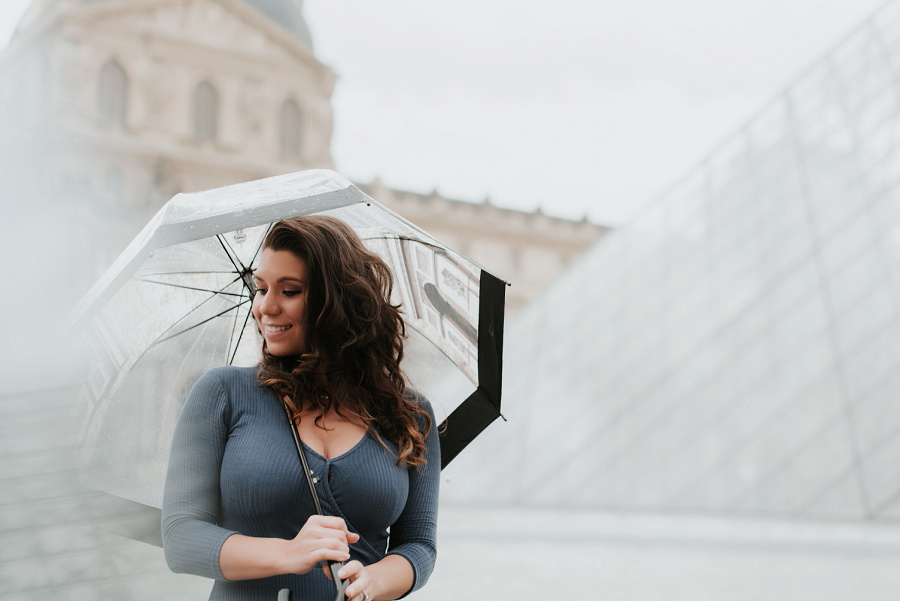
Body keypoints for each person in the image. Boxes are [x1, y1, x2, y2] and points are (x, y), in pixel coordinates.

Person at [162, 216, 440, 601]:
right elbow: (180, 536)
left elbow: (419, 546)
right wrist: (288, 553)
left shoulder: (409, 415)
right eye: (260, 289)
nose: (265, 307)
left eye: (289, 291)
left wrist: (375, 581)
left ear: (337, 301)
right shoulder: (223, 393)